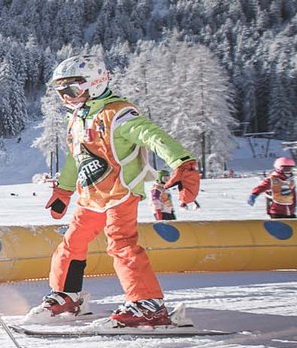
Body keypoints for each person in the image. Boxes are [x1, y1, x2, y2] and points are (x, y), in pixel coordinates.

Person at [30, 54, 200, 329]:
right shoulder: (78, 118)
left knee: (121, 244)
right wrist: (63, 190)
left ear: (94, 84)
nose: (67, 98)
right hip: (91, 196)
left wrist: (182, 161)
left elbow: (152, 135)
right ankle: (67, 294)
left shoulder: (118, 114)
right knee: (72, 243)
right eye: (61, 92)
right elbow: (77, 157)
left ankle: (147, 304)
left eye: (72, 90)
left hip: (120, 191)